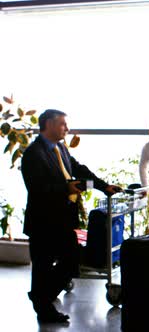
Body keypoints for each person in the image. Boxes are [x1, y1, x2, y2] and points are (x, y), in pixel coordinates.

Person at [21, 109, 121, 324]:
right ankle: (44, 307)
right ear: (48, 124)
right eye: (62, 124)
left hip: (63, 220)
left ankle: (41, 297)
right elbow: (37, 188)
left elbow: (78, 170)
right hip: (43, 222)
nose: (67, 129)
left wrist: (104, 187)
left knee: (71, 261)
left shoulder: (61, 148)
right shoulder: (33, 154)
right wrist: (66, 189)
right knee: (42, 266)